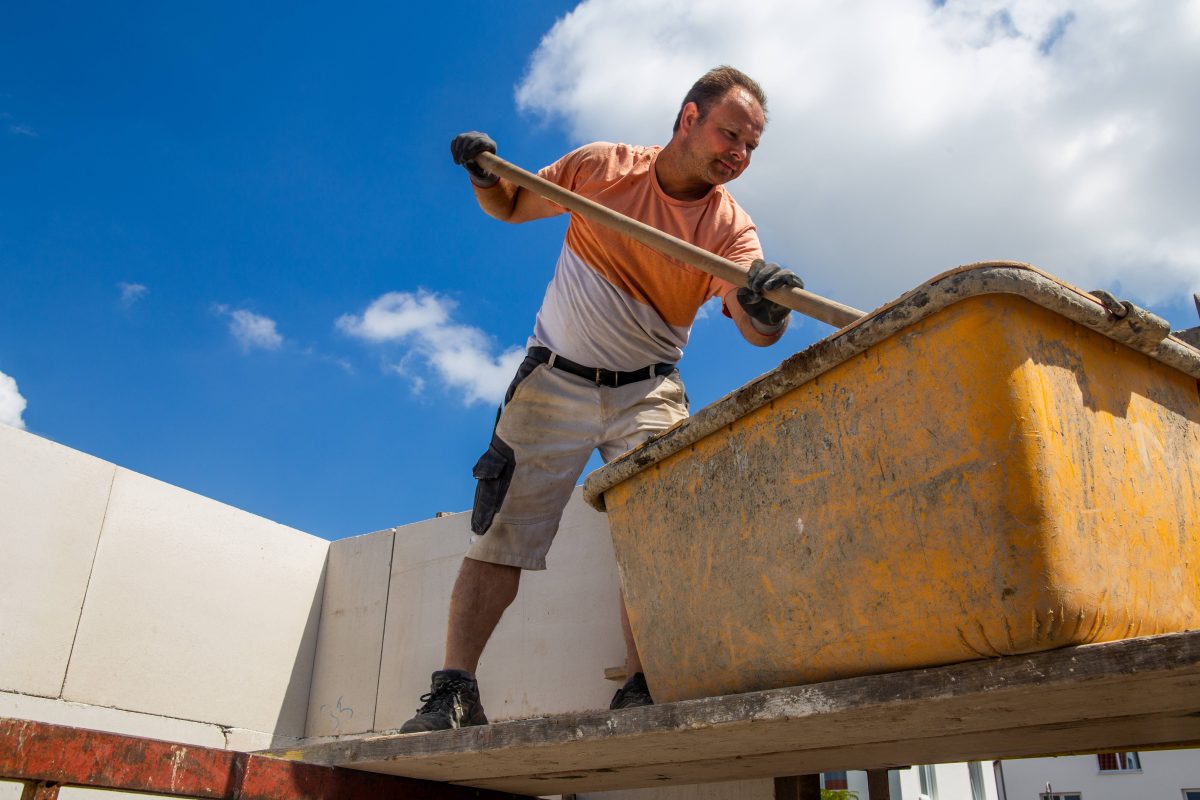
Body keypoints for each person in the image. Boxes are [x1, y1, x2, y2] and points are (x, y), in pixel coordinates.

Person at [400, 65, 803, 732]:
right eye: (731, 134)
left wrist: (766, 304)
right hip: (555, 376)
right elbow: (509, 204)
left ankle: (641, 690)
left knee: (654, 539)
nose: (739, 154)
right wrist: (483, 175)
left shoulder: (731, 230)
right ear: (688, 119)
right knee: (499, 536)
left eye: (751, 147)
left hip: (647, 390)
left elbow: (757, 328)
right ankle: (454, 691)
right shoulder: (602, 169)